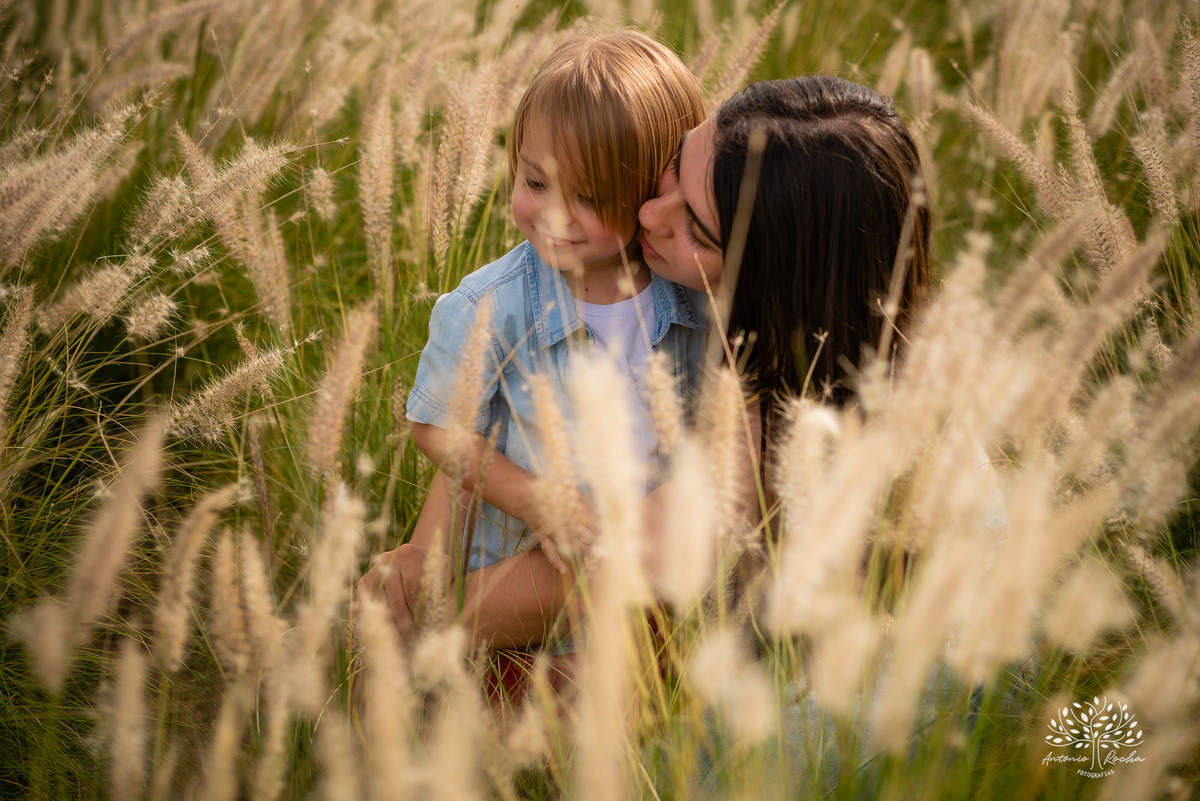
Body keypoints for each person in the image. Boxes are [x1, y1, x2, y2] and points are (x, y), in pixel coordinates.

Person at [361, 75, 931, 663]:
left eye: (696, 230)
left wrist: (411, 614)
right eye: (672, 170)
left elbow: (597, 570)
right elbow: (486, 421)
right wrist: (423, 553)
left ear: (771, 283)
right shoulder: (538, 297)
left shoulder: (792, 428)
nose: (650, 215)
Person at [397, 27, 708, 648]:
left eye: (588, 198)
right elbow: (436, 427)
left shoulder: (693, 299)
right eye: (536, 183)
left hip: (645, 576)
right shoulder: (493, 306)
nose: (553, 216)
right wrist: (538, 502)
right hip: (519, 583)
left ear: (654, 191)